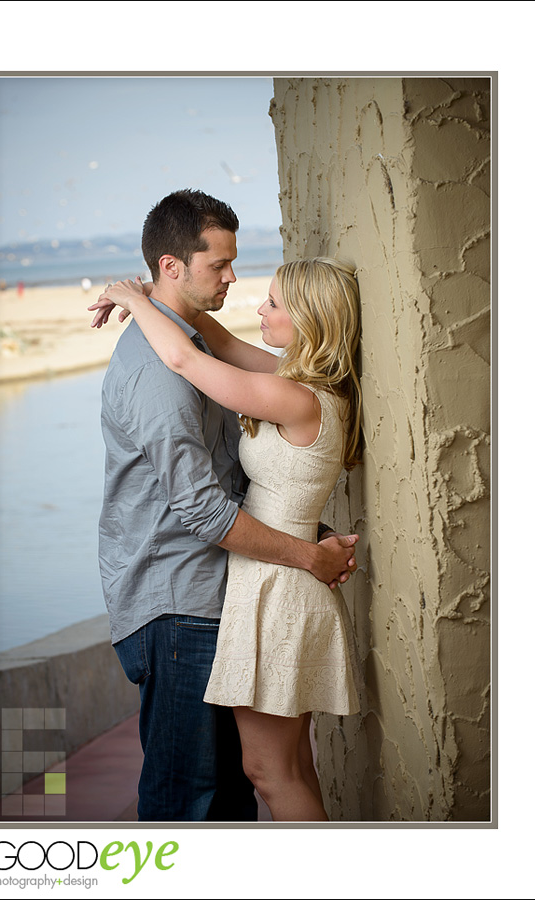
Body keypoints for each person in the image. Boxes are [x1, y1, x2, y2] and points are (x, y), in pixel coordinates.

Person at [90, 189, 358, 822]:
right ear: (172, 266)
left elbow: (197, 348)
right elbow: (205, 510)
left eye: (269, 298)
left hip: (242, 591)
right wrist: (309, 550)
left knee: (244, 789)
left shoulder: (275, 384)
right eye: (221, 265)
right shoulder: (165, 370)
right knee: (199, 798)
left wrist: (139, 297)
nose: (236, 282)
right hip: (184, 604)